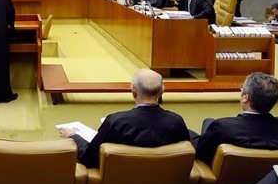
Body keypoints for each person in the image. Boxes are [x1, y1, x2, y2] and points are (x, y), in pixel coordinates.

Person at [59, 69, 189, 168]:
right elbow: (185, 155)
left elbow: (88, 158)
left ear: (133, 91)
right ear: (162, 91)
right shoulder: (176, 121)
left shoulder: (115, 122)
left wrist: (74, 136)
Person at [191, 72, 278, 164]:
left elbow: (200, 151)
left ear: (245, 97)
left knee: (205, 126)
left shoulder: (223, 128)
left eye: (242, 88)